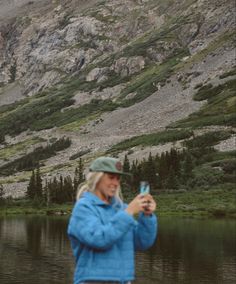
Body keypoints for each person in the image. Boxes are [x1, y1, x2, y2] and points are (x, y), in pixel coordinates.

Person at [67, 156, 158, 284]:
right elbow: (99, 239)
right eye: (111, 177)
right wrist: (129, 212)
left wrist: (147, 216)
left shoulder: (122, 210)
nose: (115, 183)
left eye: (118, 178)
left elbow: (142, 243)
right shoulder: (83, 208)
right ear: (96, 178)